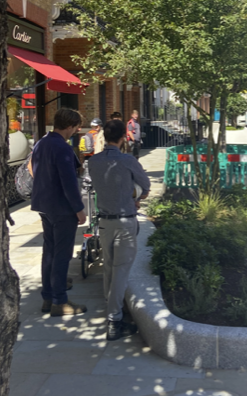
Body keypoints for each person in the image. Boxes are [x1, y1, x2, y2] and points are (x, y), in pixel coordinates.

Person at [87, 119, 149, 340]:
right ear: (124, 137)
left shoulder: (93, 162)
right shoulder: (128, 161)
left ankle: (111, 308)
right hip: (124, 220)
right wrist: (136, 196)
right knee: (121, 270)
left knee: (109, 268)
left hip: (104, 221)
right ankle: (115, 320)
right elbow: (146, 186)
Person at [32, 107, 88, 317]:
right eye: (76, 127)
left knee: (49, 252)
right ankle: (59, 301)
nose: (76, 131)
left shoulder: (41, 143)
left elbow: (32, 169)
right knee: (62, 255)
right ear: (70, 126)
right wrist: (79, 209)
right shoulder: (63, 148)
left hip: (44, 205)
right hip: (62, 208)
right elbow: (69, 183)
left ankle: (48, 297)